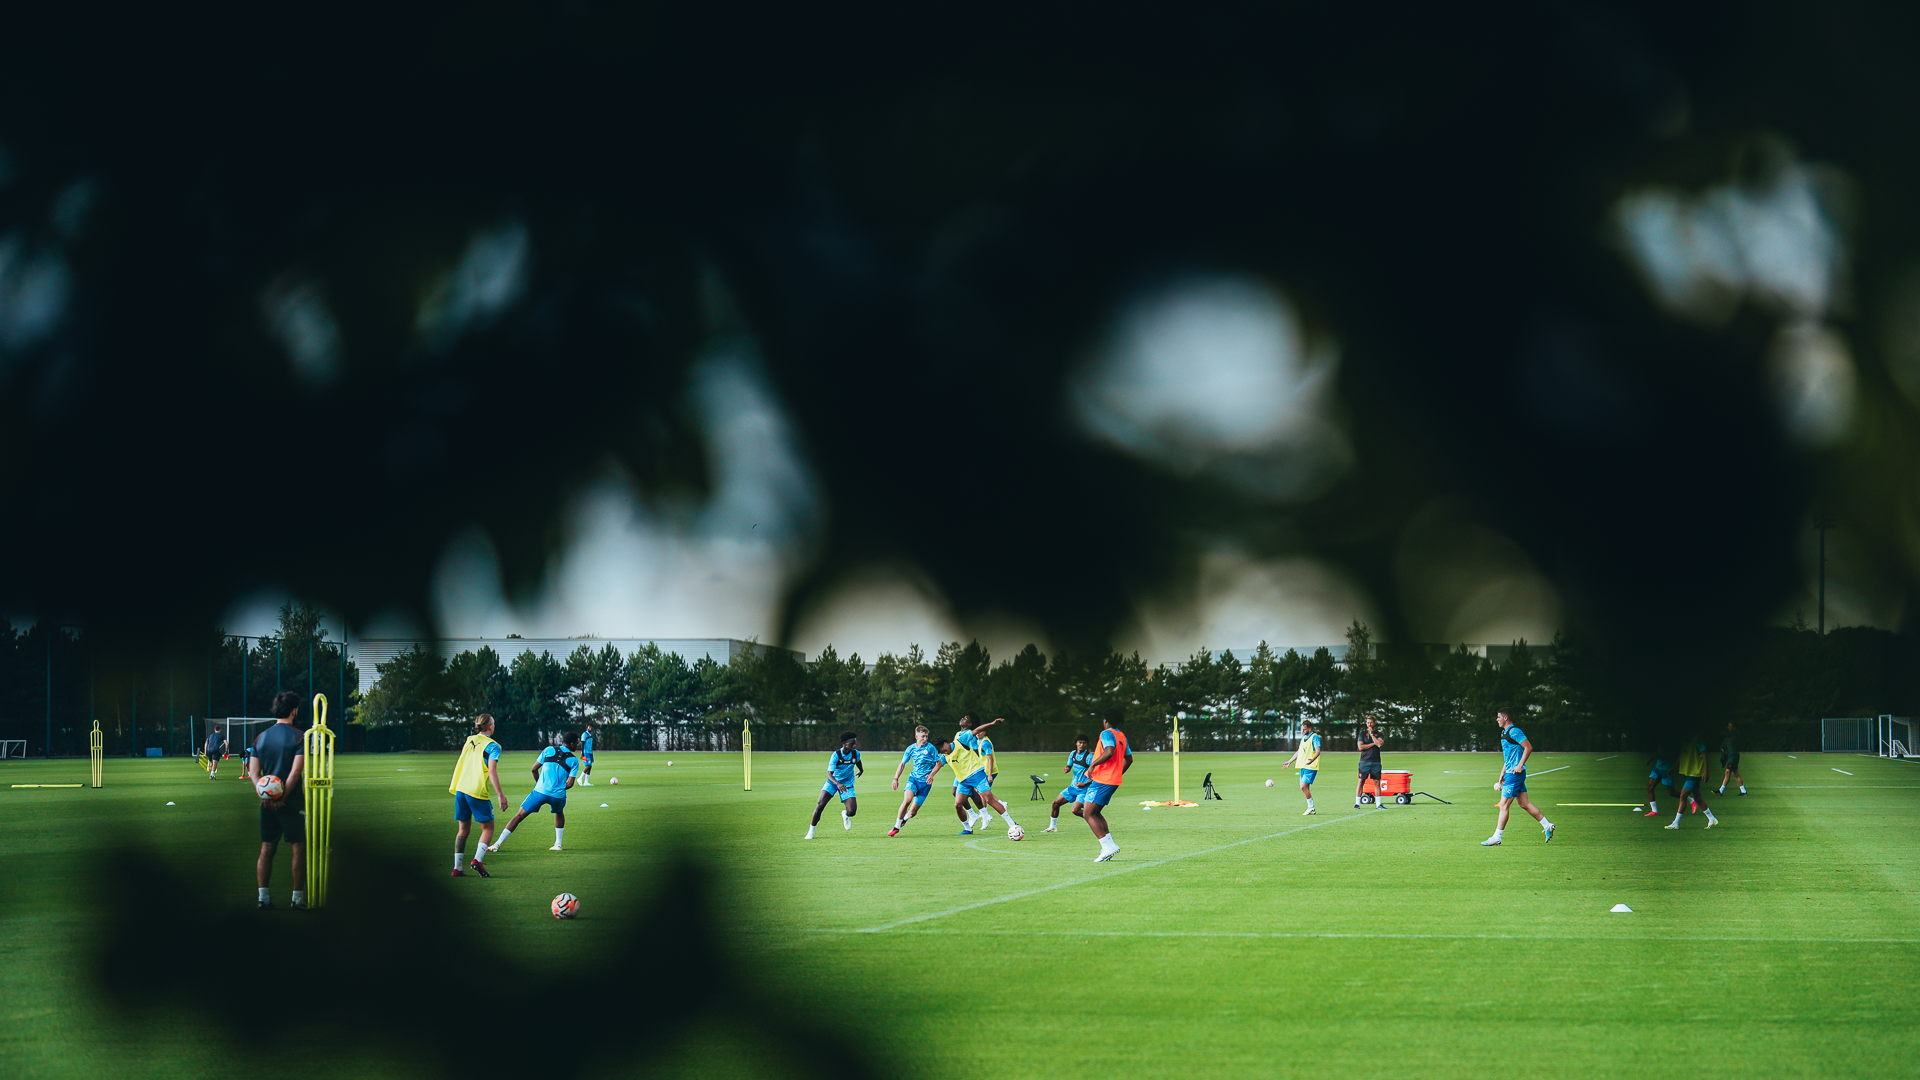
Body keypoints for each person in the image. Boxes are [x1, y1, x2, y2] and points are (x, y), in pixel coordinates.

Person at [249, 691, 308, 910]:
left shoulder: (260, 737)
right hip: (291, 803)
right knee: (298, 848)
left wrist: (265, 794)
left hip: (266, 804)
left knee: (266, 849)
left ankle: (263, 898)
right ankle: (297, 899)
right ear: (294, 711)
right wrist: (281, 797)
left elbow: (253, 772)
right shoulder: (300, 736)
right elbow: (295, 772)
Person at [489, 735, 581, 854]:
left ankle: (497, 844)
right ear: (572, 744)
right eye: (577, 743)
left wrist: (540, 784)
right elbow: (570, 784)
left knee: (519, 816)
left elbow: (534, 769)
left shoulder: (548, 750)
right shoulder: (574, 760)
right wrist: (558, 789)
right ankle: (558, 844)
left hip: (539, 792)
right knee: (559, 812)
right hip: (558, 796)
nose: (577, 745)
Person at [448, 714, 510, 878]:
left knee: (462, 830)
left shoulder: (469, 739)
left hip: (461, 788)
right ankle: (477, 860)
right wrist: (500, 795)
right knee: (488, 828)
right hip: (476, 790)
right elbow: (492, 771)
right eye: (493, 723)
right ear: (490, 727)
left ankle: (457, 868)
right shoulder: (493, 746)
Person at [1481, 709, 1555, 846]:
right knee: (1523, 803)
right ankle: (1547, 825)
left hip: (1515, 774)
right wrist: (1503, 771)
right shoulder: (1504, 733)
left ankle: (1497, 837)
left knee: (1503, 804)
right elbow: (1509, 755)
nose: (1497, 719)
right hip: (1510, 772)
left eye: (1498, 717)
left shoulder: (1514, 731)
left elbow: (1528, 747)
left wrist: (1520, 765)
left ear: (1506, 717)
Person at [947, 714, 1021, 836]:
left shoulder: (970, 734)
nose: (962, 719)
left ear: (970, 724)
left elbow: (976, 749)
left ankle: (985, 814)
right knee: (957, 793)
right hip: (961, 769)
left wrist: (991, 724)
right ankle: (977, 814)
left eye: (966, 719)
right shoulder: (957, 734)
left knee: (983, 795)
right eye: (962, 717)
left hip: (971, 770)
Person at [1080, 715, 1133, 862]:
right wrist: (1117, 774)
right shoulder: (1121, 735)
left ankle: (1107, 847)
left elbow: (1109, 751)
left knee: (1088, 813)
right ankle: (1109, 846)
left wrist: (1093, 764)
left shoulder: (1106, 733)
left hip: (1102, 779)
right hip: (1111, 780)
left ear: (1106, 720)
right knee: (1095, 812)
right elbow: (1129, 759)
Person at [887, 726, 947, 835]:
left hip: (925, 784)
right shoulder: (911, 749)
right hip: (913, 779)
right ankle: (896, 827)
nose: (925, 739)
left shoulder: (931, 748)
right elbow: (902, 764)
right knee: (907, 801)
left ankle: (904, 818)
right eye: (923, 736)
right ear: (916, 736)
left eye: (926, 736)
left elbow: (939, 763)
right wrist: (896, 778)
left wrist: (932, 775)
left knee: (913, 812)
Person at [807, 731, 863, 839]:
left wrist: (861, 770)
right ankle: (811, 831)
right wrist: (838, 784)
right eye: (852, 743)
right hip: (833, 782)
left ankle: (845, 815)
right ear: (844, 743)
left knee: (852, 811)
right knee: (820, 805)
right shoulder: (836, 755)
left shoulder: (856, 753)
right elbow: (829, 774)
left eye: (855, 743)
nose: (854, 745)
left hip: (847, 784)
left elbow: (858, 761)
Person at [1668, 736, 1719, 830]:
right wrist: (1673, 768)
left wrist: (1706, 771)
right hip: (1687, 772)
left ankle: (1676, 823)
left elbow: (1704, 755)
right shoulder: (1684, 740)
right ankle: (1712, 819)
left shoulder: (1698, 738)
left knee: (1683, 795)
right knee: (1697, 797)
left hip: (1696, 773)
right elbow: (1682, 756)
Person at [1046, 736, 1095, 832]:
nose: (1081, 745)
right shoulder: (1073, 754)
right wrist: (1067, 768)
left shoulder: (1089, 757)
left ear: (1087, 745)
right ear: (1076, 743)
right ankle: (1052, 827)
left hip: (1083, 790)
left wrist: (1085, 784)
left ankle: (1094, 818)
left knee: (1075, 810)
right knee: (1055, 803)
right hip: (1072, 788)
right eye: (1080, 742)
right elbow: (1069, 764)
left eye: (1084, 743)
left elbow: (1097, 775)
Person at [1287, 720, 1322, 814]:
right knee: (1305, 787)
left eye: (1304, 729)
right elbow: (1299, 752)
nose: (1302, 731)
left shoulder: (1314, 737)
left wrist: (1312, 759)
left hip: (1311, 766)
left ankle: (1311, 807)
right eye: (1302, 729)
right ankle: (1311, 808)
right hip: (1303, 766)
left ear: (1309, 729)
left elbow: (1318, 751)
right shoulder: (1303, 738)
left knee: (1303, 786)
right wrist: (1289, 762)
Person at [1355, 715, 1384, 809]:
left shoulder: (1379, 734)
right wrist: (1373, 744)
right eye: (1368, 722)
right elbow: (1360, 747)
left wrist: (1372, 735)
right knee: (1361, 781)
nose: (1369, 724)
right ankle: (1357, 804)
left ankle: (1378, 804)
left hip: (1376, 761)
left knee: (1377, 782)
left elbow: (1379, 744)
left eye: (1371, 722)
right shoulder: (1362, 734)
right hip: (1364, 761)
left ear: (1374, 723)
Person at [1644, 752, 1678, 817]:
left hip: (1667, 770)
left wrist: (1657, 756)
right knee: (1650, 787)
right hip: (1657, 768)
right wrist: (1651, 759)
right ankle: (1654, 811)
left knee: (1672, 792)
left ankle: (1691, 799)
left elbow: (1673, 756)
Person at [1718, 722, 1746, 796]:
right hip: (1731, 756)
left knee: (1728, 772)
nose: (1729, 728)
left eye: (1730, 726)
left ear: (1734, 728)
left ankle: (1721, 791)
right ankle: (1743, 791)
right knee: (1735, 773)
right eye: (1728, 726)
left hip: (1733, 756)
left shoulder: (1734, 734)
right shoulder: (1728, 736)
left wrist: (1726, 729)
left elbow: (1723, 733)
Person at [578, 721, 597, 786]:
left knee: (590, 766)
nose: (591, 728)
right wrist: (582, 754)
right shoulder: (584, 734)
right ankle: (580, 778)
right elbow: (582, 744)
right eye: (590, 727)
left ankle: (586, 782)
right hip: (585, 753)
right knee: (588, 766)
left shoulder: (590, 735)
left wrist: (592, 755)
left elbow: (590, 746)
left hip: (590, 753)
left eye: (592, 727)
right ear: (587, 727)